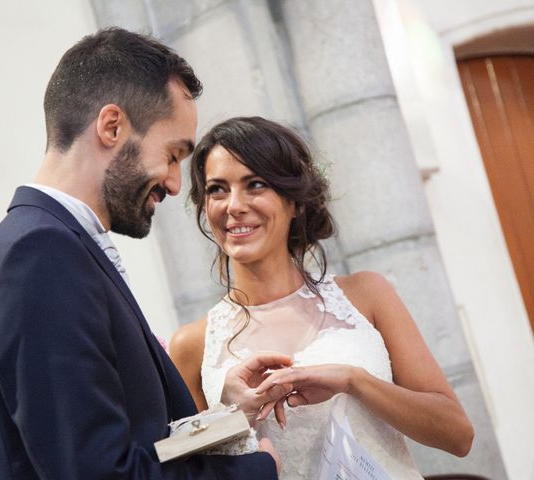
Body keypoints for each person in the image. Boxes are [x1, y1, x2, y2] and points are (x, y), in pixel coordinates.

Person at [0, 29, 289, 479]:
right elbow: (98, 473)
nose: (176, 183)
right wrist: (255, 471)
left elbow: (123, 437)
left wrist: (226, 417)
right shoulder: (39, 255)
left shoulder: (49, 243)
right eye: (173, 155)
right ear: (112, 126)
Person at [170, 116, 475, 479]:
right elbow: (185, 467)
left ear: (295, 202)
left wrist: (354, 381)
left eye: (254, 184)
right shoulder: (192, 344)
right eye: (217, 189)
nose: (233, 205)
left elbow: (458, 436)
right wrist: (232, 416)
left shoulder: (367, 295)